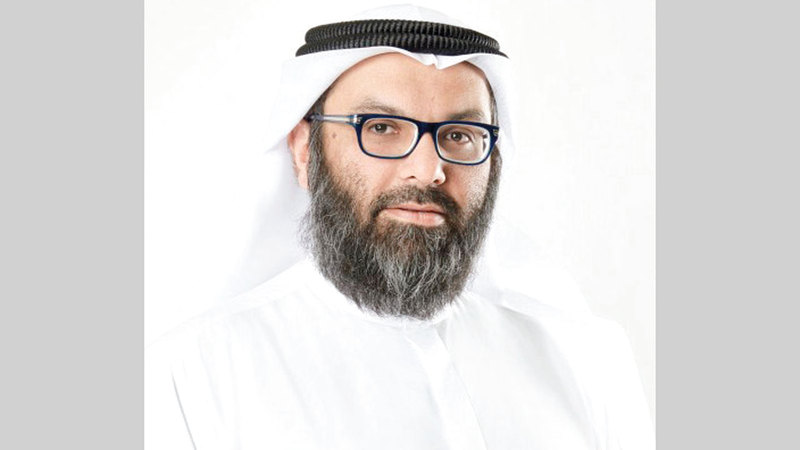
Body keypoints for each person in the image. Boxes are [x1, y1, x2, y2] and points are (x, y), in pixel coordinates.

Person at [145, 5, 653, 449]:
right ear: (304, 152)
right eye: (382, 128)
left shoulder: (588, 363)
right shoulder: (191, 375)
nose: (429, 169)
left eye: (460, 135)